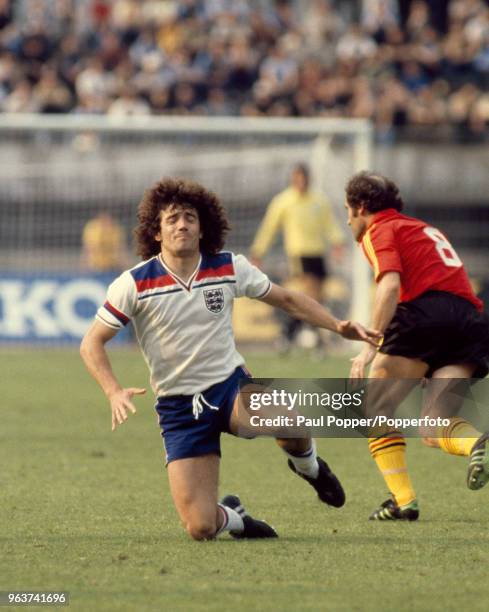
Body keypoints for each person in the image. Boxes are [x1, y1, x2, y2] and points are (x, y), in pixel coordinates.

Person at [80, 177, 380, 541]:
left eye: (189, 217)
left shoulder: (228, 267)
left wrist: (337, 326)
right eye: (172, 218)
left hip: (228, 387)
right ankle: (236, 518)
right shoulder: (134, 283)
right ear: (156, 232)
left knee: (290, 422)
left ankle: (312, 469)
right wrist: (113, 391)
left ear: (202, 225)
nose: (181, 224)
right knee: (200, 527)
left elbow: (286, 299)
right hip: (179, 409)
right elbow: (92, 343)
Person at [345, 171, 489, 521]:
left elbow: (390, 287)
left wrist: (369, 346)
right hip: (469, 321)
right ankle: (477, 444)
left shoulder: (378, 229)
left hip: (425, 314)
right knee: (433, 426)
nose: (348, 220)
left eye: (348, 211)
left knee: (373, 405)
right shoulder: (423, 228)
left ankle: (404, 500)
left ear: (362, 208)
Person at [250, 163, 345, 352]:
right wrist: (258, 251)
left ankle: (289, 335)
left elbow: (330, 224)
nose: (301, 182)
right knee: (309, 294)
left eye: (303, 178)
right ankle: (314, 338)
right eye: (297, 178)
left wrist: (337, 242)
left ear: (308, 179)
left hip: (318, 253)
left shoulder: (319, 200)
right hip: (298, 254)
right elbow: (269, 227)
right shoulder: (283, 201)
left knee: (316, 298)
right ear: (292, 179)